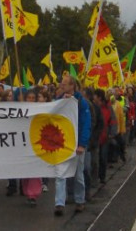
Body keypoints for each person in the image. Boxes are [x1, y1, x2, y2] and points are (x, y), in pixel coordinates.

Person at [54, 76, 91, 216]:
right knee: (60, 174)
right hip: (62, 143)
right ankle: (59, 203)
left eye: (64, 83)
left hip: (76, 144)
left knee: (78, 174)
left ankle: (80, 200)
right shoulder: (59, 100)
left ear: (72, 86)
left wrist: (82, 144)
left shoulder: (81, 102)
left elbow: (85, 123)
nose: (61, 85)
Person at [22, 89, 42, 207]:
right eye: (28, 98)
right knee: (26, 170)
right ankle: (27, 191)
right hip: (24, 144)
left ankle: (33, 194)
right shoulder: (20, 111)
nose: (31, 100)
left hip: (36, 143)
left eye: (32, 98)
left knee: (35, 169)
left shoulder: (40, 110)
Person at [93, 89, 117, 185]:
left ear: (99, 97)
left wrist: (112, 133)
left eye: (95, 96)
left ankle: (102, 177)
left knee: (103, 158)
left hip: (105, 136)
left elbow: (113, 120)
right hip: (95, 137)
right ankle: (95, 178)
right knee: (95, 160)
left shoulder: (108, 107)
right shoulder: (93, 106)